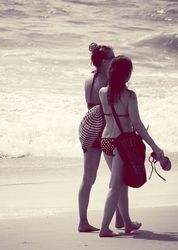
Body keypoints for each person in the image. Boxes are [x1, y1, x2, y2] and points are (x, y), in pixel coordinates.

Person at [99, 55, 164, 237]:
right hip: (121, 143)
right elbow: (138, 125)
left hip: (106, 141)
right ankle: (104, 227)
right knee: (115, 186)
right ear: (126, 74)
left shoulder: (103, 92)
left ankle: (127, 222)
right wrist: (155, 147)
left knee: (122, 184)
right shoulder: (129, 96)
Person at [78, 43, 123, 232]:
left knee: (88, 178)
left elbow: (92, 105)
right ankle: (120, 219)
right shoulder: (109, 81)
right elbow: (114, 108)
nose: (114, 60)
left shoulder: (89, 78)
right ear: (103, 61)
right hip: (106, 130)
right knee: (118, 176)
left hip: (89, 127)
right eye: (111, 58)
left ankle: (83, 221)